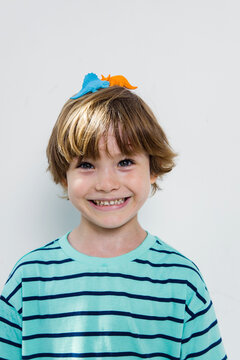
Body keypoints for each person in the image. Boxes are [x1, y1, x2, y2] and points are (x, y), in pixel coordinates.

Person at [0, 73, 227, 359]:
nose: (106, 184)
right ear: (63, 175)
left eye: (125, 162)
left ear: (153, 168)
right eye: (86, 164)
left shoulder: (181, 280)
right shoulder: (28, 279)